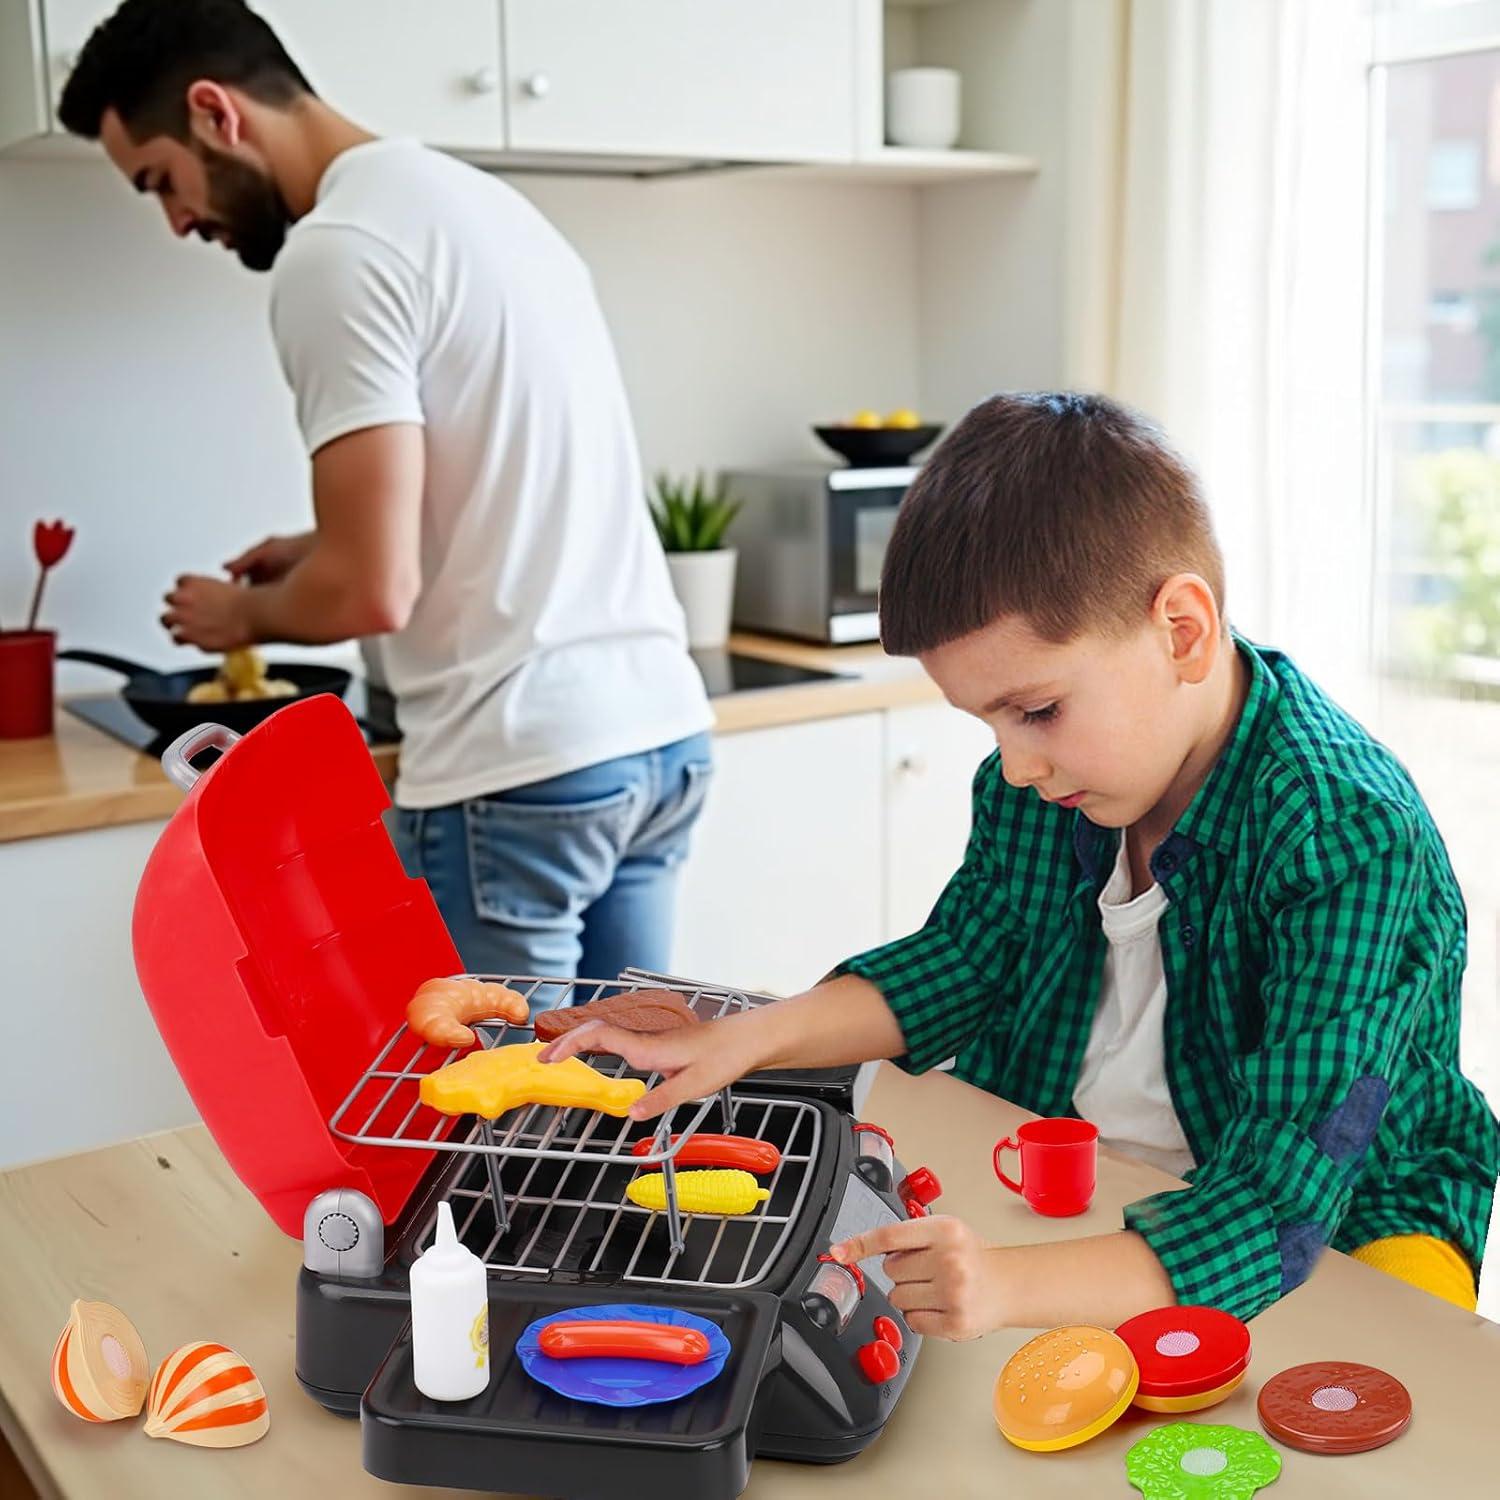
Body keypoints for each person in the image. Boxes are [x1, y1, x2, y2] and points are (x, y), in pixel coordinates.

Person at [541, 392, 1500, 1331]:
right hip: (1088, 1172)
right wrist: (745, 1034)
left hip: (1339, 1220)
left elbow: (1277, 1204)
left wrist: (1005, 1289)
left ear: (1183, 632)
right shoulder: (1053, 775)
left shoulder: (1344, 834)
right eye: (988, 719)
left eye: (1036, 709)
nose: (1015, 763)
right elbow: (968, 957)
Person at [59, 1, 714, 992]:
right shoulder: (479, 204)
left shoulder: (338, 251)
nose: (177, 219)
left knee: (512, 1126)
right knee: (628, 1097)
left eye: (161, 180)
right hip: (657, 738)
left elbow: (369, 594)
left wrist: (239, 612)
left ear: (214, 113)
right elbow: (501, 473)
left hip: (519, 769)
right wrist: (315, 542)